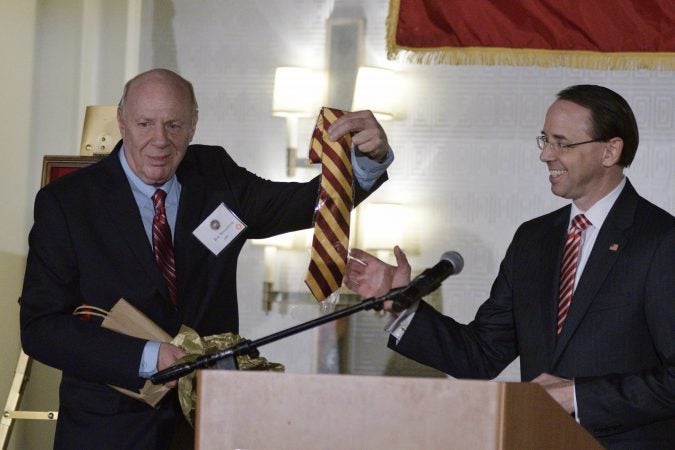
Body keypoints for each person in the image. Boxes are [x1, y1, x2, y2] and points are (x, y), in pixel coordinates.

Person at [20, 68, 392, 449]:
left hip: (207, 426)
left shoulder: (216, 176)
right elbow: (40, 328)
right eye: (145, 123)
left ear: (194, 125)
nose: (160, 140)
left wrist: (365, 162)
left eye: (174, 125)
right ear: (122, 122)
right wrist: (150, 357)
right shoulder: (67, 202)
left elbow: (304, 205)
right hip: (108, 431)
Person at [345, 85, 675, 449]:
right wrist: (403, 303)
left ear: (610, 150)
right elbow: (481, 355)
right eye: (544, 140)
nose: (546, 155)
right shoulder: (533, 240)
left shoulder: (661, 240)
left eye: (562, 143)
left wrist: (578, 397)